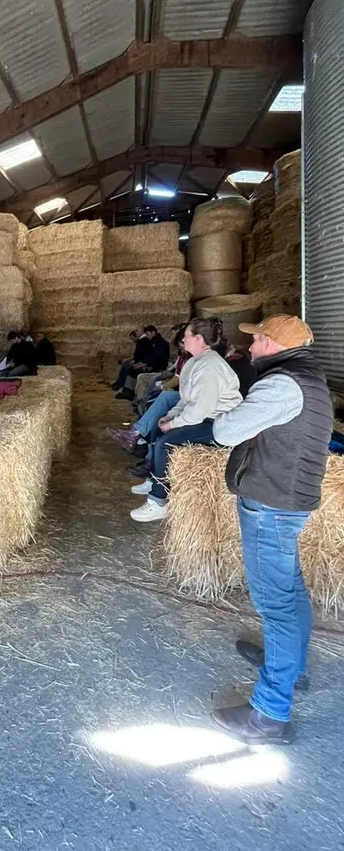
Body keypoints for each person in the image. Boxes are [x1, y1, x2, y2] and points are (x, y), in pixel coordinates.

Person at [209, 315, 333, 744]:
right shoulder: (308, 377)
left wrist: (230, 410)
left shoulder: (281, 385)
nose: (251, 343)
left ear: (271, 343)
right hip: (287, 499)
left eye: (257, 338)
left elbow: (226, 432)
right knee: (291, 590)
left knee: (276, 604)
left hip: (271, 504)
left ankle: (269, 714)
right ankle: (291, 666)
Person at [130, 318, 243, 523]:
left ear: (198, 339)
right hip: (202, 416)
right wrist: (170, 416)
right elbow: (186, 400)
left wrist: (174, 424)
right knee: (158, 429)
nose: (183, 340)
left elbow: (201, 410)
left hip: (218, 421)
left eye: (187, 336)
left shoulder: (210, 366)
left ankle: (158, 501)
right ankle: (155, 477)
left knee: (166, 443)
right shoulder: (193, 362)